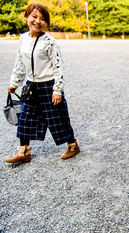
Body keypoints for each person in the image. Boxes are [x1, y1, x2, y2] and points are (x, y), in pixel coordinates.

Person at [6, 2, 80, 164]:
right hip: (31, 86)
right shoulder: (23, 38)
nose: (38, 21)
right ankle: (23, 152)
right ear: (26, 17)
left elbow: (58, 66)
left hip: (49, 86)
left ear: (46, 22)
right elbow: (19, 63)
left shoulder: (49, 41)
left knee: (57, 118)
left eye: (42, 18)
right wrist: (14, 83)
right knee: (25, 118)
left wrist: (57, 90)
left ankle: (73, 146)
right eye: (34, 16)